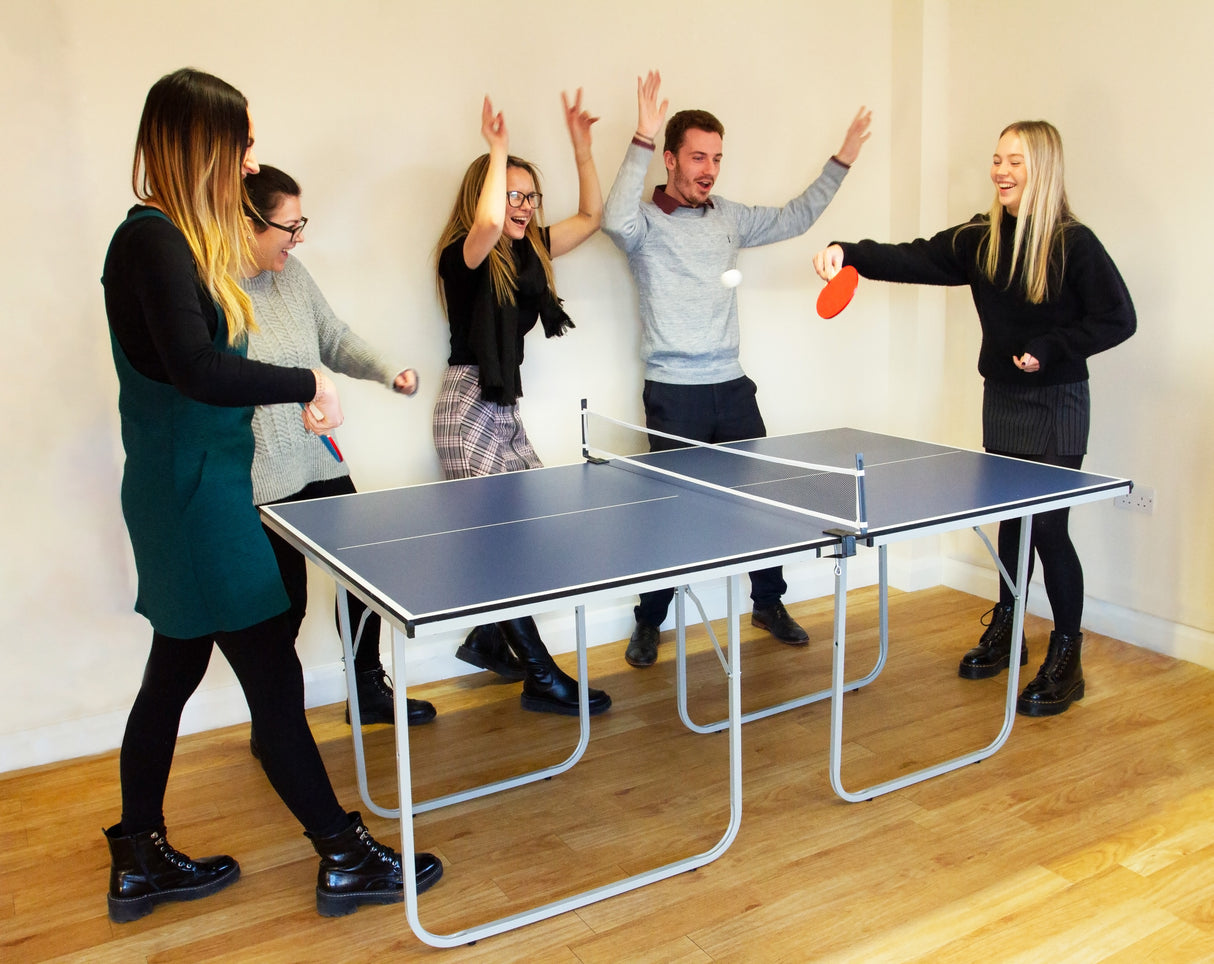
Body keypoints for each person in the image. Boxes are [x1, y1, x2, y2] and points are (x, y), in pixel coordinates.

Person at [100, 68, 441, 924]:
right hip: (199, 495)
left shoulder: (174, 240)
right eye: (242, 144)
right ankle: (341, 854)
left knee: (172, 673)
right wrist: (304, 381)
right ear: (203, 146)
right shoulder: (152, 242)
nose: (251, 162)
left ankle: (139, 856)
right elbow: (196, 367)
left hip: (184, 487)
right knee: (270, 674)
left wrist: (314, 371)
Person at [812, 120, 1136, 716]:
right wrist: (849, 253)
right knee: (1010, 519)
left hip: (1059, 401)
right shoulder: (981, 238)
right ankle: (1008, 627)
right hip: (1004, 399)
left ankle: (1067, 657)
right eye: (996, 159)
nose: (1001, 170)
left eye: (1014, 160)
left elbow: (1119, 319)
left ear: (1042, 168)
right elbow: (916, 257)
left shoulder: (1074, 243)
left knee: (1048, 528)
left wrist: (1053, 347)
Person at [602, 71, 873, 668]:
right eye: (698, 157)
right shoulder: (645, 223)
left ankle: (767, 603)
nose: (709, 169)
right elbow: (612, 219)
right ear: (670, 159)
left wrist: (843, 159)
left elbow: (798, 216)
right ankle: (650, 620)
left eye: (717, 158)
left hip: (732, 385)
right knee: (672, 515)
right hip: (674, 393)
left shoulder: (729, 218)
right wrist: (640, 137)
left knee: (764, 504)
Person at [432, 92, 611, 716]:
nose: (525, 206)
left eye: (531, 196)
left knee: (532, 531)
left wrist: (581, 146)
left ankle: (488, 634)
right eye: (513, 195)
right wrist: (497, 149)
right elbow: (484, 225)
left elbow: (591, 215)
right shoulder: (465, 256)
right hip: (467, 405)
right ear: (485, 195)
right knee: (497, 547)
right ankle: (540, 676)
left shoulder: (529, 252)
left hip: (504, 410)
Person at [241, 164, 435, 731]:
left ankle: (366, 688)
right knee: (286, 608)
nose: (298, 238)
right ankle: (274, 724)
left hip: (317, 456)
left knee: (365, 576)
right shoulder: (213, 293)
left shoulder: (292, 275)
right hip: (260, 475)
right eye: (289, 227)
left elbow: (333, 337)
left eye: (302, 224)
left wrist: (384, 369)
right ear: (248, 224)